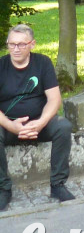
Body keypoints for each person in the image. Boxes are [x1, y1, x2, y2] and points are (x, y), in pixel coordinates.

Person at [0, 24, 74, 210]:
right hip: (8, 125)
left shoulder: (42, 63)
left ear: (32, 44)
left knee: (63, 126)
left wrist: (40, 123)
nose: (15, 49)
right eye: (11, 44)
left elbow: (54, 99)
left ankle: (57, 185)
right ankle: (3, 189)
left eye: (21, 44)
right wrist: (11, 125)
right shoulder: (0, 66)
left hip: (39, 125)